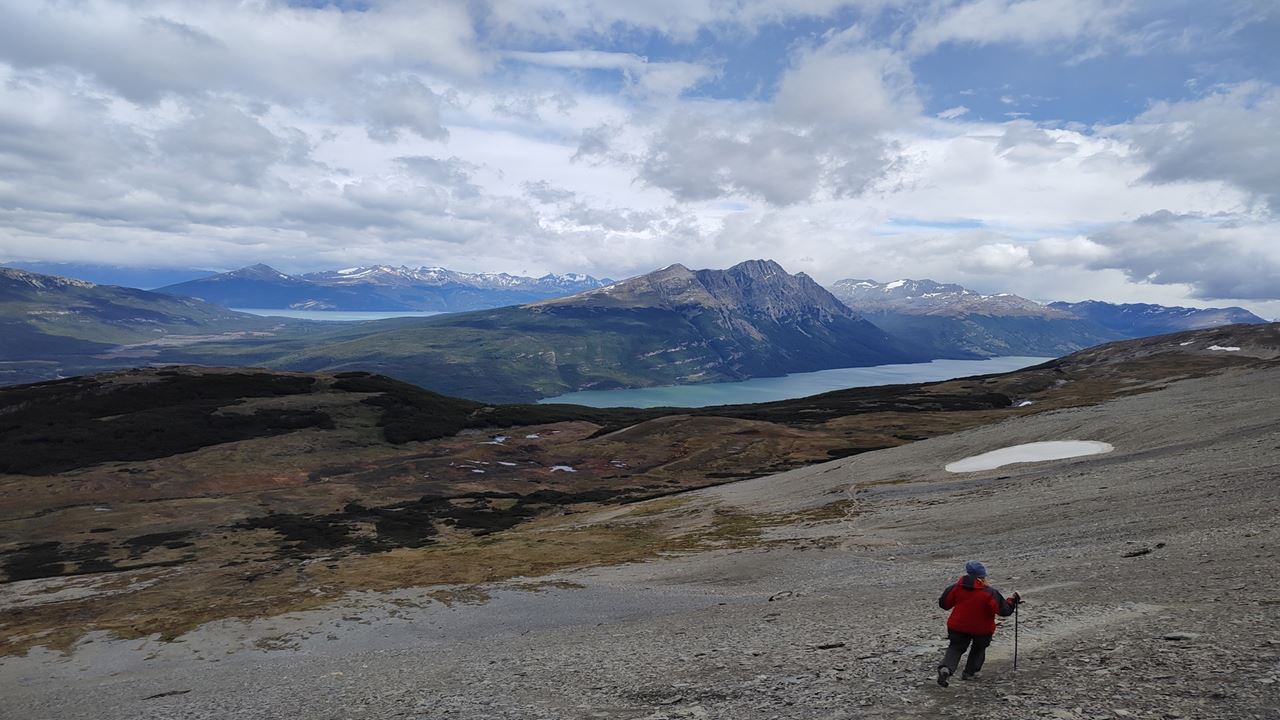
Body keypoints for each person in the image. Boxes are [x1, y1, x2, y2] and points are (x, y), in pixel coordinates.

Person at [935, 560, 1020, 687]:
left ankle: (946, 669)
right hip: (982, 629)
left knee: (955, 647)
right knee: (978, 649)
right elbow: (1004, 611)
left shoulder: (956, 588)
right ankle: (970, 673)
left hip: (958, 626)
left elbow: (944, 604)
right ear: (983, 576)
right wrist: (1013, 601)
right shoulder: (989, 592)